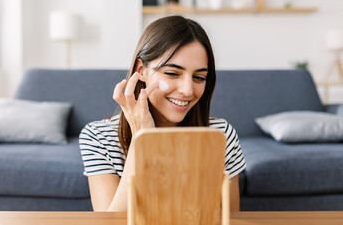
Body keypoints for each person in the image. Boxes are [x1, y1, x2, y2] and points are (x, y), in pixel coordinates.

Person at [79, 15, 246, 212]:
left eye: (199, 77)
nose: (188, 90)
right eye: (172, 73)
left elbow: (229, 219)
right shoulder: (98, 137)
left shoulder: (221, 135)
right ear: (141, 70)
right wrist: (143, 140)